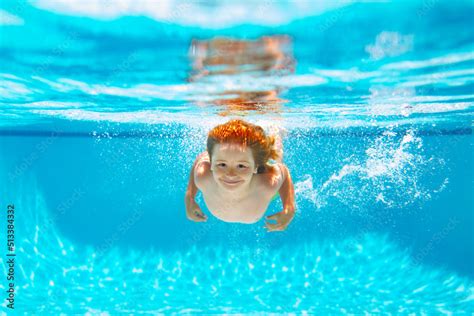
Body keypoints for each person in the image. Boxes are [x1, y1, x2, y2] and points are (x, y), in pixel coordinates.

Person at [184, 119, 295, 232]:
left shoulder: (267, 184)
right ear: (211, 163)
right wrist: (189, 197)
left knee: (275, 156)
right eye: (222, 164)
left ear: (256, 166)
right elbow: (200, 160)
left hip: (263, 190)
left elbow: (284, 172)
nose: (231, 175)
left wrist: (289, 207)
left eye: (241, 166)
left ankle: (276, 131)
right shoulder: (203, 176)